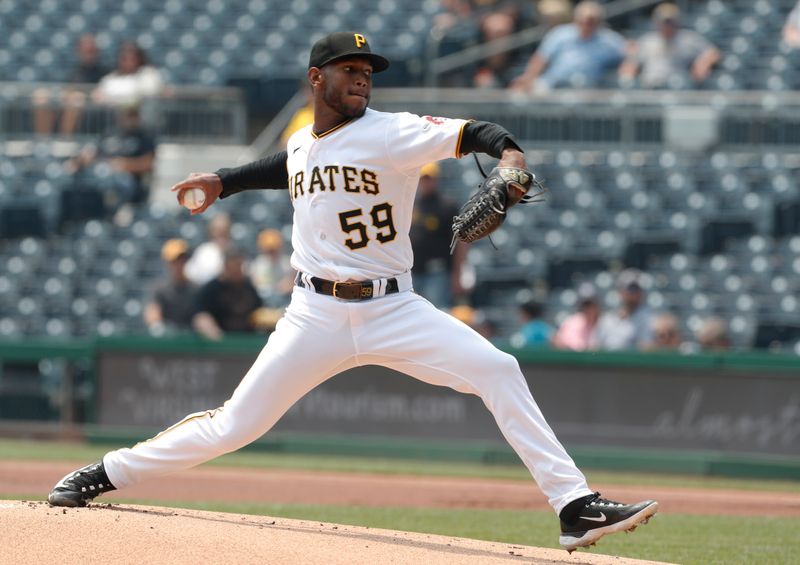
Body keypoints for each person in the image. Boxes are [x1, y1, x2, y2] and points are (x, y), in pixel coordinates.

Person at [47, 31, 657, 553]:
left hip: (395, 307)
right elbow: (287, 165)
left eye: (368, 72)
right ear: (317, 78)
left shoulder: (392, 133)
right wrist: (224, 182)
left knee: (498, 368)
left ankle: (573, 506)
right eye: (351, 70)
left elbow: (482, 131)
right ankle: (104, 473)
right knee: (234, 426)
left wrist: (509, 165)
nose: (363, 79)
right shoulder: (302, 141)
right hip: (313, 313)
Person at [509, 1, 625, 93]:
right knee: (524, 92)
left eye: (590, 22)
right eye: (582, 21)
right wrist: (528, 79)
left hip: (588, 89)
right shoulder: (560, 34)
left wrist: (627, 68)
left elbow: (629, 50)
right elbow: (540, 58)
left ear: (598, 22)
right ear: (576, 19)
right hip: (553, 84)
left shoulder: (608, 39)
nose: (586, 25)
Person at [65, 105, 157, 211]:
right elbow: (95, 152)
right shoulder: (111, 133)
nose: (130, 118)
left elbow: (148, 164)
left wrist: (125, 165)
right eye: (127, 114)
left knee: (114, 182)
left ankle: (112, 213)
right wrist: (83, 158)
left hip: (127, 180)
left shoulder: (145, 137)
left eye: (133, 115)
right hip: (102, 174)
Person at [618, 3, 720, 89]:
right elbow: (630, 64)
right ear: (656, 22)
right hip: (649, 87)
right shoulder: (647, 40)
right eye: (663, 22)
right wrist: (628, 74)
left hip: (677, 87)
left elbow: (713, 53)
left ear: (677, 21)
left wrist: (703, 62)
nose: (667, 25)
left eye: (670, 21)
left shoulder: (688, 38)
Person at [410, 162, 466, 308]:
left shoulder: (447, 205)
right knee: (413, 315)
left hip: (438, 272)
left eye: (429, 178)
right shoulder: (412, 204)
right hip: (413, 271)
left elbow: (461, 241)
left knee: (438, 311)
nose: (425, 182)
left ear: (436, 180)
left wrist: (457, 274)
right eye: (423, 178)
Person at [32, 33, 108, 136]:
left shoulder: (104, 72)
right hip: (66, 107)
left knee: (76, 99)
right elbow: (65, 89)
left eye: (91, 51)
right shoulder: (73, 72)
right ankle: (42, 140)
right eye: (85, 51)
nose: (88, 54)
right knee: (41, 96)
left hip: (91, 111)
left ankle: (65, 140)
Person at [192, 247, 264, 341]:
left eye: (240, 265)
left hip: (246, 340)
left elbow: (259, 311)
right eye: (234, 266)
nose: (237, 270)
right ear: (225, 266)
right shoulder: (212, 288)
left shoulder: (248, 287)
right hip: (220, 342)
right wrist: (214, 334)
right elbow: (200, 316)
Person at [143, 239, 198, 335]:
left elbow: (202, 316)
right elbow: (152, 313)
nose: (179, 263)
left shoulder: (196, 289)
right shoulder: (160, 289)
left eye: (183, 259)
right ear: (168, 262)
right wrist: (158, 327)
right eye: (175, 260)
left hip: (191, 340)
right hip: (168, 341)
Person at [92, 41, 165, 108]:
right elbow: (98, 96)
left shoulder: (148, 74)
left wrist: (114, 99)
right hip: (115, 120)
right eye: (124, 58)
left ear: (139, 58)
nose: (128, 62)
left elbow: (148, 92)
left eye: (132, 58)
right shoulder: (110, 78)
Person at [595, 269, 655, 351]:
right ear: (620, 290)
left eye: (637, 288)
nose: (634, 292)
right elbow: (596, 347)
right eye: (631, 288)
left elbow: (647, 348)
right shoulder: (607, 318)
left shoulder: (648, 318)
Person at [250, 228, 294, 308]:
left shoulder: (288, 263)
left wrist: (288, 284)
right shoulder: (257, 264)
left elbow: (291, 284)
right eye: (268, 250)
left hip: (285, 303)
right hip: (263, 303)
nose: (271, 252)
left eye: (274, 249)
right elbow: (255, 285)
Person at [184, 213, 232, 286]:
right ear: (211, 231)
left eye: (225, 230)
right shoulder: (203, 252)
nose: (222, 233)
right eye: (218, 230)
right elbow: (189, 275)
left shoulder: (235, 251)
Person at [552, 282, 600, 351]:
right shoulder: (575, 321)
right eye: (586, 305)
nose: (589, 309)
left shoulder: (601, 322)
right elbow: (563, 341)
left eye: (591, 305)